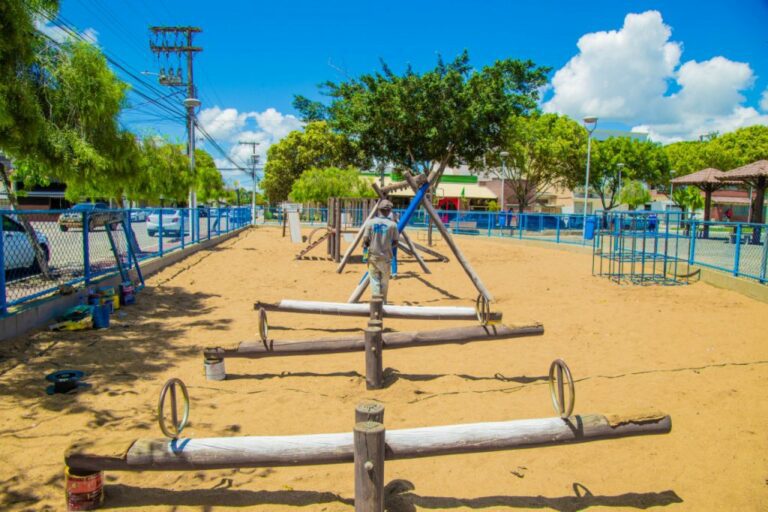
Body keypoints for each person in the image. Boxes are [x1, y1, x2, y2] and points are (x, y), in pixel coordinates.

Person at [362, 199, 399, 303]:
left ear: (379, 210)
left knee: (374, 281)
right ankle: (384, 303)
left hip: (373, 257)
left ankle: (376, 304)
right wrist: (387, 245)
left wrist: (367, 251)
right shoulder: (393, 225)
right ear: (389, 211)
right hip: (386, 258)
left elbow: (365, 241)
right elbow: (396, 242)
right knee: (384, 282)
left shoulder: (370, 223)